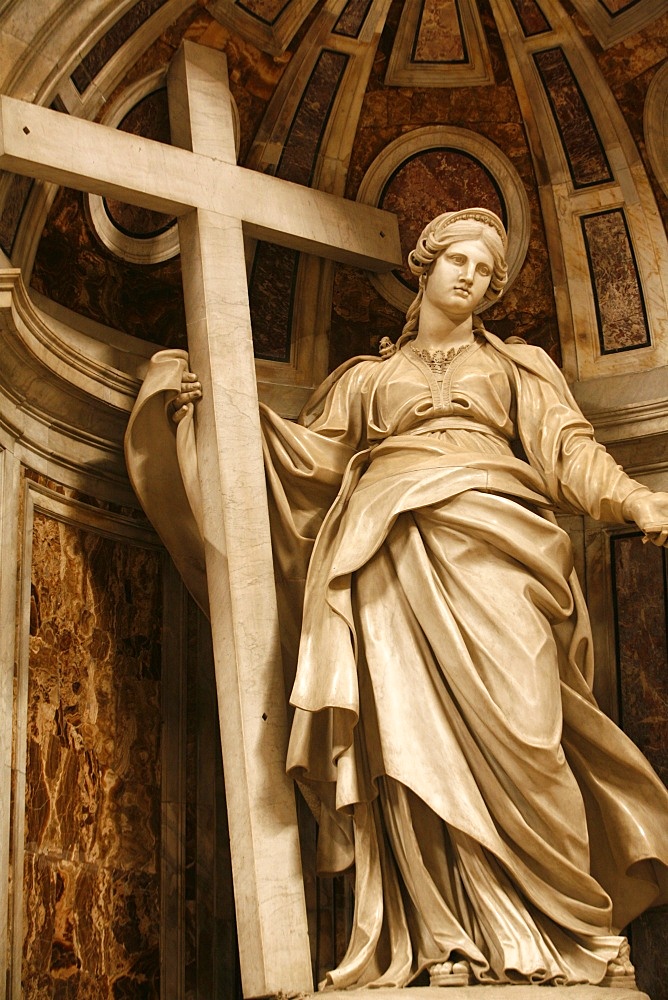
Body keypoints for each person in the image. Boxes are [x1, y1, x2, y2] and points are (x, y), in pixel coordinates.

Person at [126, 208, 668, 989]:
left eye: (485, 272)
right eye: (458, 261)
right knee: (406, 744)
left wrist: (636, 502)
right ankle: (442, 937)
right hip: (385, 552)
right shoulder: (366, 380)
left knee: (528, 730)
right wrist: (213, 413)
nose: (471, 277)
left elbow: (572, 453)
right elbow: (300, 463)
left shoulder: (520, 369)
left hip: (498, 551)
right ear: (426, 265)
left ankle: (565, 929)